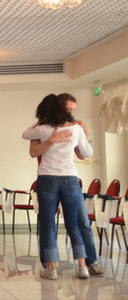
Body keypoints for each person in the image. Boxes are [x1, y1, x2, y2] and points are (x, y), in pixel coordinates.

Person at [28, 93, 102, 276]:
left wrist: (86, 133)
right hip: (64, 178)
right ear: (59, 107)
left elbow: (83, 155)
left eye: (73, 110)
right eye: (68, 109)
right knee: (68, 223)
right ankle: (75, 265)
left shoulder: (72, 127)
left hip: (57, 178)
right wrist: (52, 139)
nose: (71, 113)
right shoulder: (46, 127)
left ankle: (83, 263)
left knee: (77, 222)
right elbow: (33, 151)